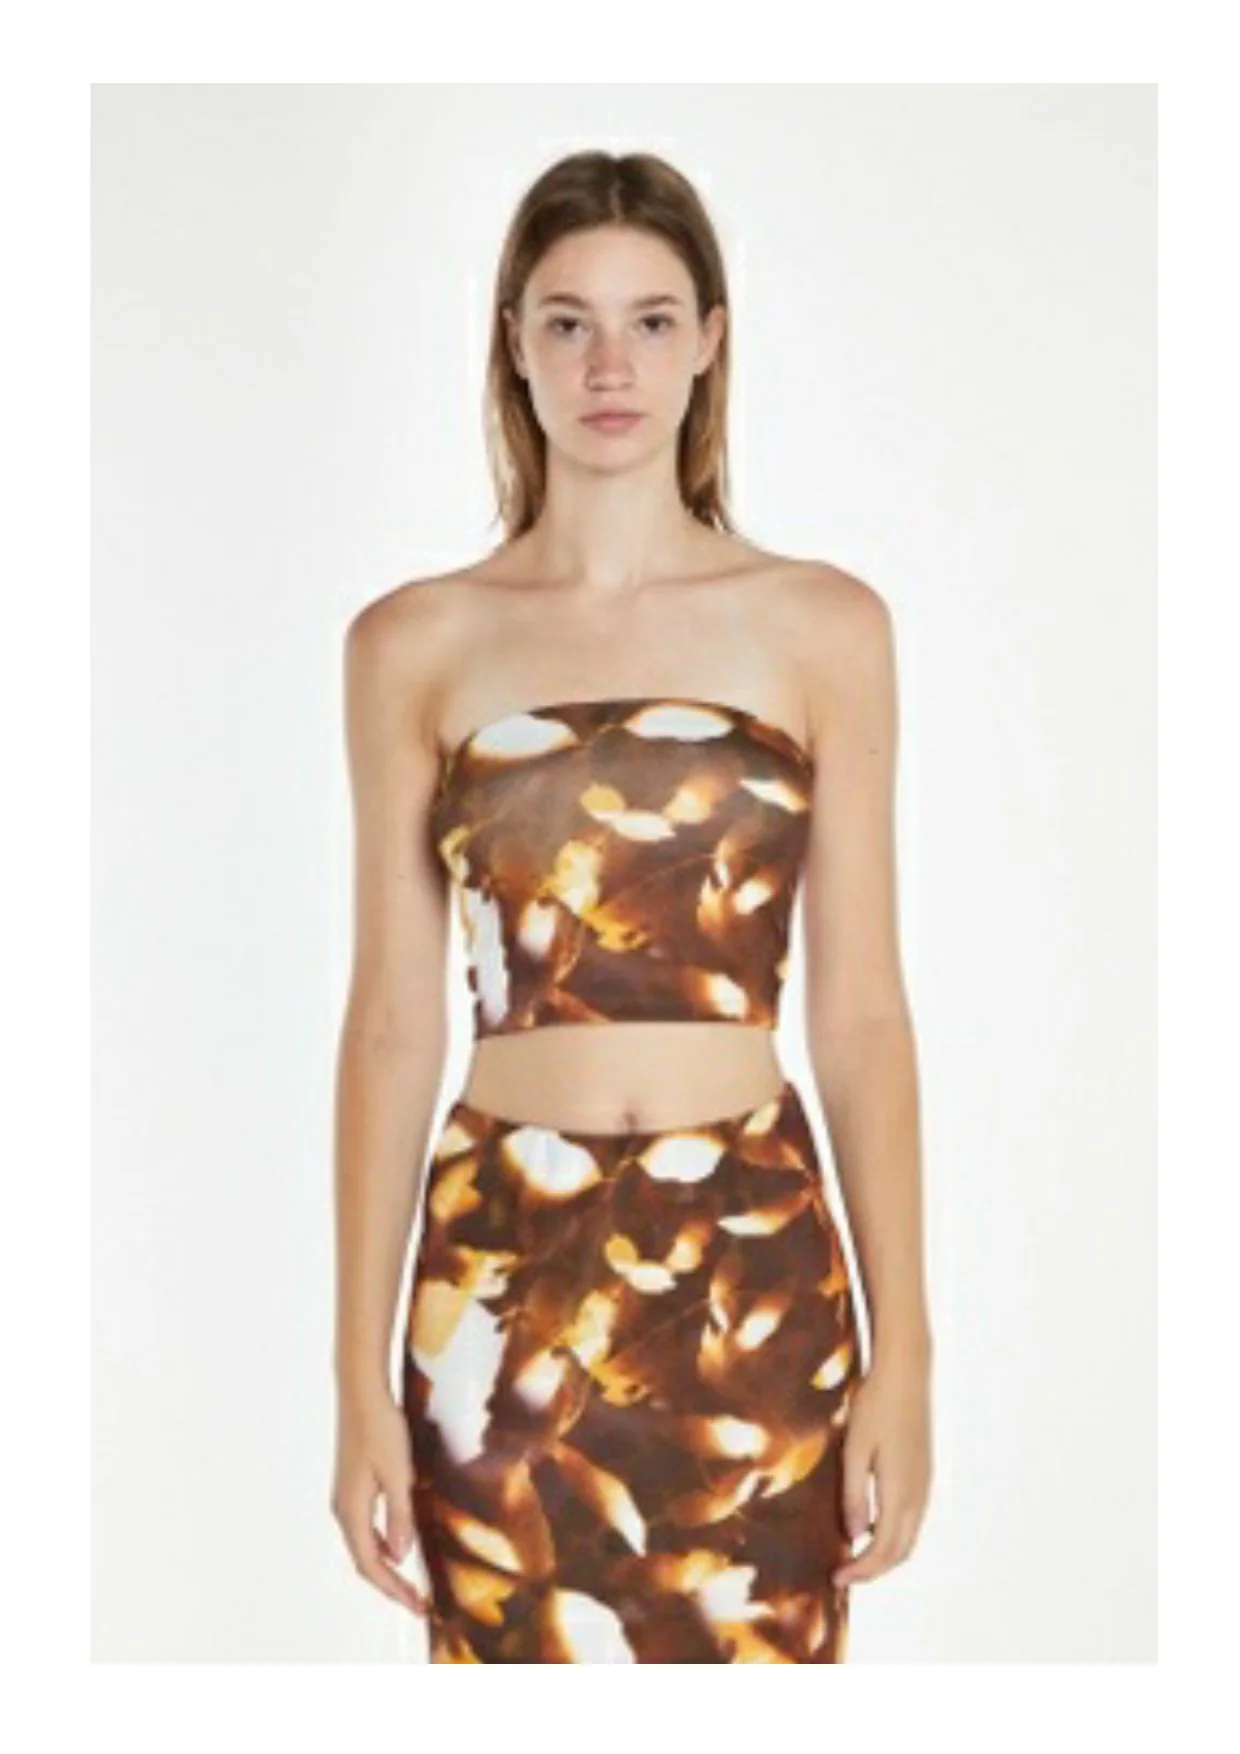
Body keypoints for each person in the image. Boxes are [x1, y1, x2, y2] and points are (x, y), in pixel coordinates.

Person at [330, 149, 932, 1663]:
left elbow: (863, 1018)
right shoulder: (413, 644)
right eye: (570, 323)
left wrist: (909, 1351)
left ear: (710, 340)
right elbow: (392, 1025)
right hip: (496, 1285)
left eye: (653, 322)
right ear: (513, 343)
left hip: (750, 1267)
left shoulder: (824, 626)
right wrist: (355, 1382)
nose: (612, 366)